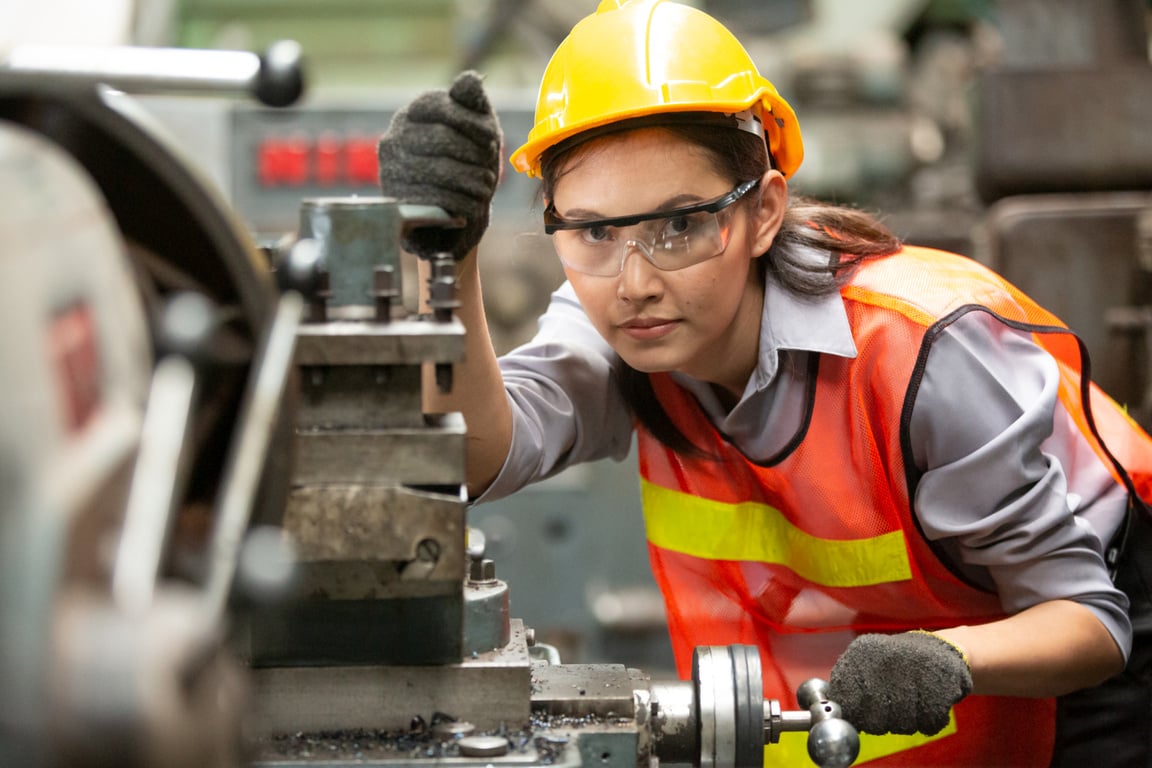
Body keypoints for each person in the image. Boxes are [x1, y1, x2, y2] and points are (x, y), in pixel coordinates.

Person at [376, 0, 1152, 764]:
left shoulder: (922, 353)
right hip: (869, 707)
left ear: (764, 212)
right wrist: (447, 257)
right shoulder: (622, 328)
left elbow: (1089, 622)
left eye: (680, 224)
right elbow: (477, 458)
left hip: (1092, 671)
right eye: (595, 232)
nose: (634, 281)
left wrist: (945, 658)